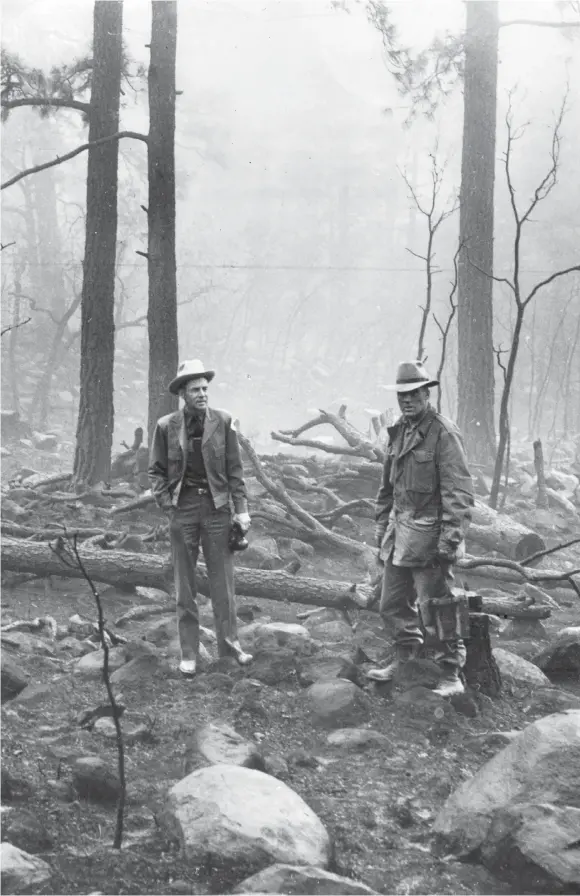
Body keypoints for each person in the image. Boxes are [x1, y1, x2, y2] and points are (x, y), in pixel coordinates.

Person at [366, 361, 474, 697]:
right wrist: (381, 524)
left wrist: (450, 539)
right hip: (398, 536)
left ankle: (451, 673)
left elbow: (459, 492)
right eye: (402, 395)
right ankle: (405, 659)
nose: (407, 400)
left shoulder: (443, 433)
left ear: (426, 393)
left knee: (438, 606)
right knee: (392, 603)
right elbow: (388, 486)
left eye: (413, 393)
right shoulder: (398, 431)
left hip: (430, 538)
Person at [148, 359, 253, 676]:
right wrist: (169, 506)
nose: (202, 394)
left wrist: (242, 509)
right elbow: (156, 472)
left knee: (223, 585)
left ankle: (229, 647)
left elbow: (235, 469)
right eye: (195, 389)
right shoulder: (167, 426)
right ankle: (189, 653)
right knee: (185, 585)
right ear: (182, 393)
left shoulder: (223, 421)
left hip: (218, 509)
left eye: (205, 388)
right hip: (184, 509)